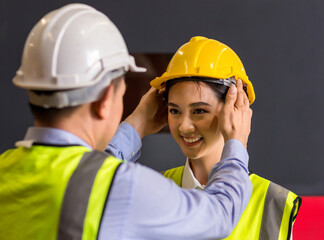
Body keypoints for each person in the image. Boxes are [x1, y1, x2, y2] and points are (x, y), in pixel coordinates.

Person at [0, 4, 254, 240]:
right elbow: (218, 215)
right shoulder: (124, 187)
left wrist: (136, 125)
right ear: (104, 100)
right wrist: (237, 143)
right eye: (122, 93)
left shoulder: (6, 169)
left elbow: (85, 183)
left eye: (198, 111)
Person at [151, 36, 302, 240]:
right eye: (174, 111)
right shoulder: (150, 190)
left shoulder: (272, 203)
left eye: (199, 111)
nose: (184, 126)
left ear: (235, 109)